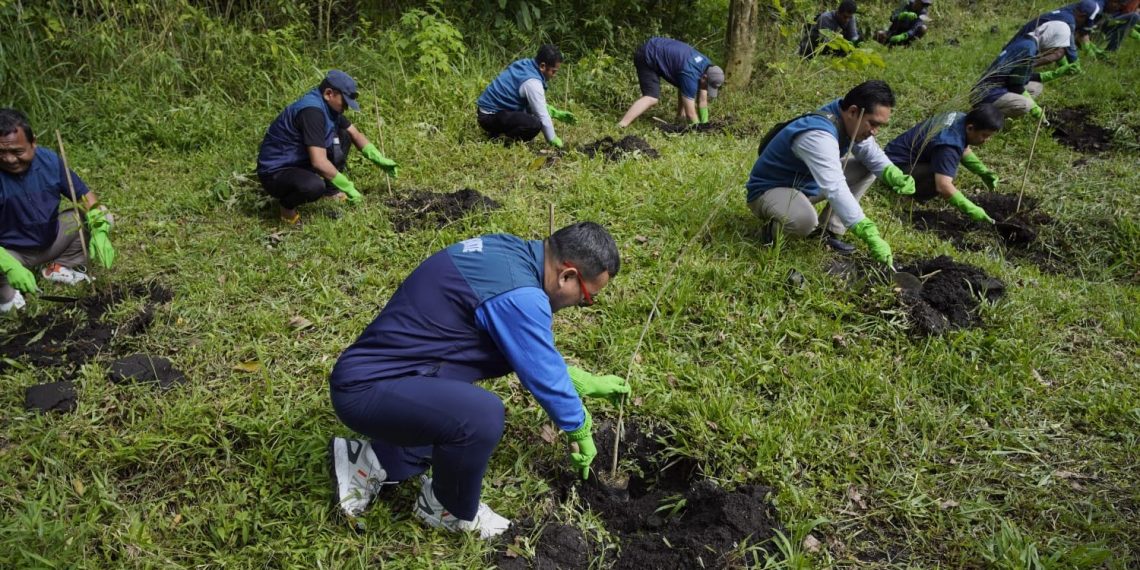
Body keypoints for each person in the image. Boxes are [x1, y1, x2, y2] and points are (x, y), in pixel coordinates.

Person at [326, 222, 629, 539]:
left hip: (398, 371)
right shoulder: (521, 295)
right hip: (365, 390)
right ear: (566, 276)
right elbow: (539, 365)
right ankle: (447, 508)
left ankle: (372, 458)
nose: (580, 306)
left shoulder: (508, 251)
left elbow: (526, 352)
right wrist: (578, 426)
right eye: (586, 299)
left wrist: (581, 382)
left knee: (465, 398)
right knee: (480, 417)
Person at [745, 80, 914, 265]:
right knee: (804, 222)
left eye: (880, 126)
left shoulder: (847, 119)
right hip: (770, 190)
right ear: (853, 111)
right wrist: (867, 231)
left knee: (867, 168)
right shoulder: (818, 135)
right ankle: (772, 231)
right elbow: (835, 187)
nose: (875, 132)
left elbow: (871, 155)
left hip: (805, 186)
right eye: (873, 124)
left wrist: (894, 174)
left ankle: (829, 230)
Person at [1, 108, 116, 313]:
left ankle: (60, 266)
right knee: (6, 286)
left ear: (33, 142)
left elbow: (87, 198)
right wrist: (8, 264)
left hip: (52, 240)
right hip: (12, 252)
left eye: (17, 152)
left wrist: (100, 231)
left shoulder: (50, 162)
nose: (9, 159)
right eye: (1, 152)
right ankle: (6, 296)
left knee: (100, 215)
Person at [256, 70, 399, 224]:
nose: (346, 108)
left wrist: (378, 158)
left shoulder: (329, 108)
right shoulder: (312, 112)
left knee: (344, 135)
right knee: (313, 186)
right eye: (344, 102)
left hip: (300, 161)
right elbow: (319, 162)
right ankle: (286, 207)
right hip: (277, 172)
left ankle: (331, 192)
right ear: (329, 93)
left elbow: (355, 134)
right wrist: (348, 187)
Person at [884, 104, 1005, 224]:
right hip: (896, 169)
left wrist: (982, 171)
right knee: (943, 174)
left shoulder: (959, 117)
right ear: (970, 128)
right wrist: (972, 210)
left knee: (946, 168)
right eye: (984, 135)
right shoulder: (948, 146)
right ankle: (908, 195)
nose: (986, 140)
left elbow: (962, 147)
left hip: (895, 154)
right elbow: (943, 187)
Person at [476, 45, 576, 147]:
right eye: (553, 71)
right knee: (534, 124)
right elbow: (542, 115)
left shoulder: (526, 64)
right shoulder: (533, 82)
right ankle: (501, 140)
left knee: (528, 115)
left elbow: (531, 103)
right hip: (489, 116)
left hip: (486, 111)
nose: (554, 75)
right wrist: (552, 138)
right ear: (542, 66)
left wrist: (554, 112)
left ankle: (498, 132)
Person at [618, 37, 726, 127]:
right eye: (707, 86)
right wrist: (698, 129)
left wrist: (705, 124)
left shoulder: (707, 66)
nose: (706, 89)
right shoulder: (690, 73)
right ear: (705, 78)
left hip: (658, 49)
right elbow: (691, 113)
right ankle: (622, 125)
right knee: (651, 97)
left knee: (685, 87)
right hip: (647, 55)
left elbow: (702, 100)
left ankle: (679, 118)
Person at [974, 21, 1072, 120]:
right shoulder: (1028, 51)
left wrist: (1053, 74)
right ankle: (988, 117)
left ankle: (1006, 107)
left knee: (1036, 86)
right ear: (1052, 40)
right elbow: (1016, 86)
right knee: (1025, 105)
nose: (1053, 51)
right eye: (1055, 47)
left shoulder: (1027, 41)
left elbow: (1018, 76)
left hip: (1000, 84)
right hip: (987, 93)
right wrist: (1034, 107)